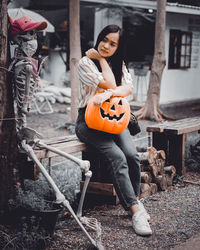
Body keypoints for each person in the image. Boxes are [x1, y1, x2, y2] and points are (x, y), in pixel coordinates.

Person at [75, 24, 152, 236]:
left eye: (113, 44)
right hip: (89, 122)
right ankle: (136, 212)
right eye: (104, 40)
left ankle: (133, 200)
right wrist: (100, 60)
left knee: (132, 155)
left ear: (119, 47)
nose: (106, 46)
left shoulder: (120, 64)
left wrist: (108, 95)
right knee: (117, 157)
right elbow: (109, 82)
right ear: (99, 38)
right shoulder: (86, 62)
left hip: (115, 117)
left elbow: (128, 88)